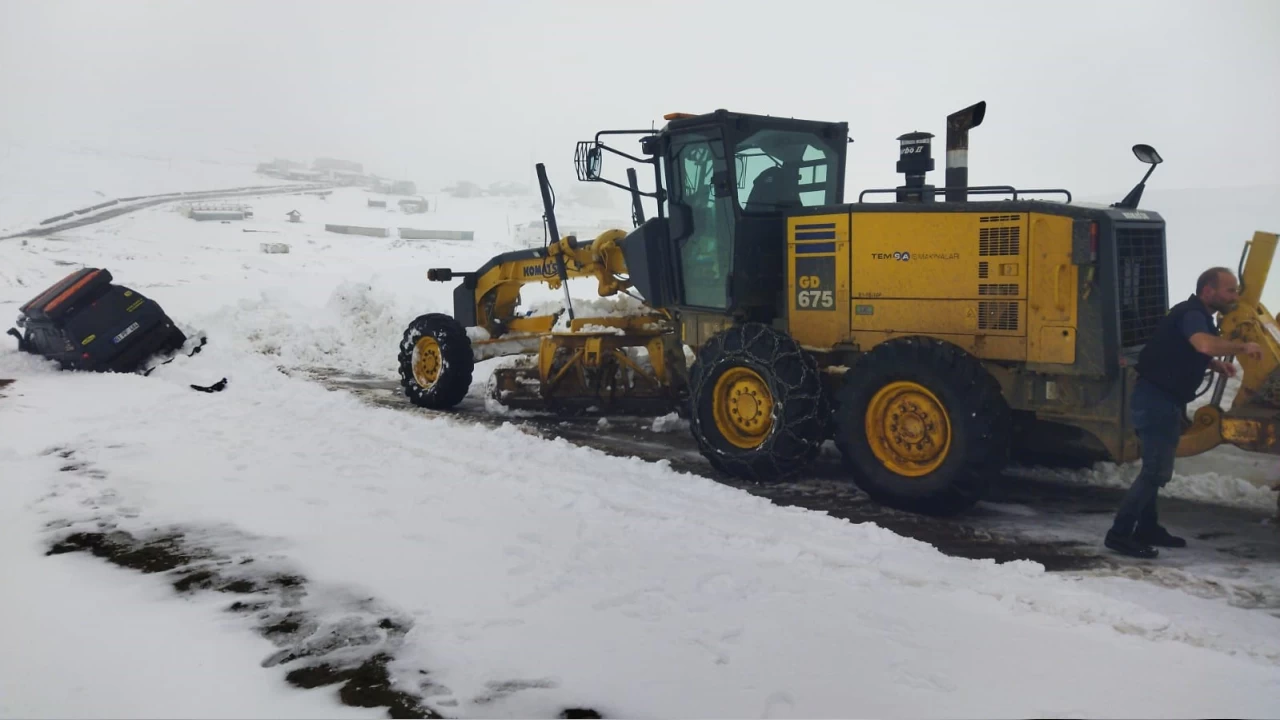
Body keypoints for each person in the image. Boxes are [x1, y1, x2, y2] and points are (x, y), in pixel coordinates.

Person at [1105, 267, 1264, 559]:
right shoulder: (1192, 314)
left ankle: (1147, 528)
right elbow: (1202, 343)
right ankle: (1119, 534)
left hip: (1162, 399)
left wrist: (1215, 365)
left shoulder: (1195, 314)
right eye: (1230, 290)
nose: (1235, 296)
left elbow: (1181, 350)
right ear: (1208, 291)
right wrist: (1242, 346)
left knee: (1153, 469)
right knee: (1156, 471)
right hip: (1156, 401)